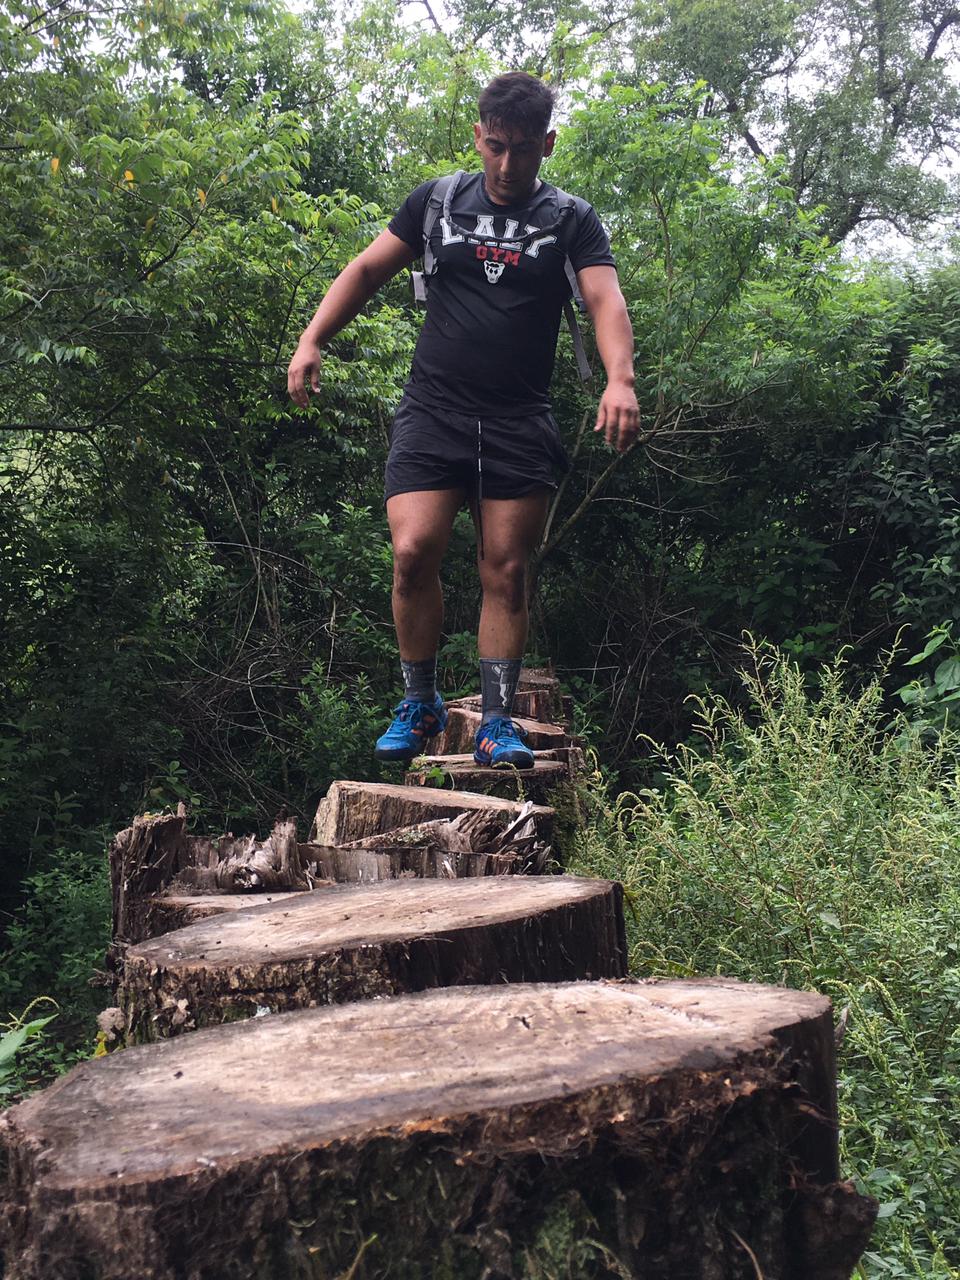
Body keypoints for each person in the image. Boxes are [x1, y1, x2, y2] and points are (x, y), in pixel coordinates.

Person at [287, 72, 639, 768]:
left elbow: (605, 300)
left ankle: (497, 722)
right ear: (478, 137)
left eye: (524, 150)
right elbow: (366, 271)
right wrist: (311, 339)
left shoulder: (571, 219)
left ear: (547, 144)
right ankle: (419, 702)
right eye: (496, 147)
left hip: (518, 419)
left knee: (506, 569)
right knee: (412, 551)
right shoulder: (437, 202)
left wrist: (620, 379)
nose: (507, 165)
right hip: (434, 410)